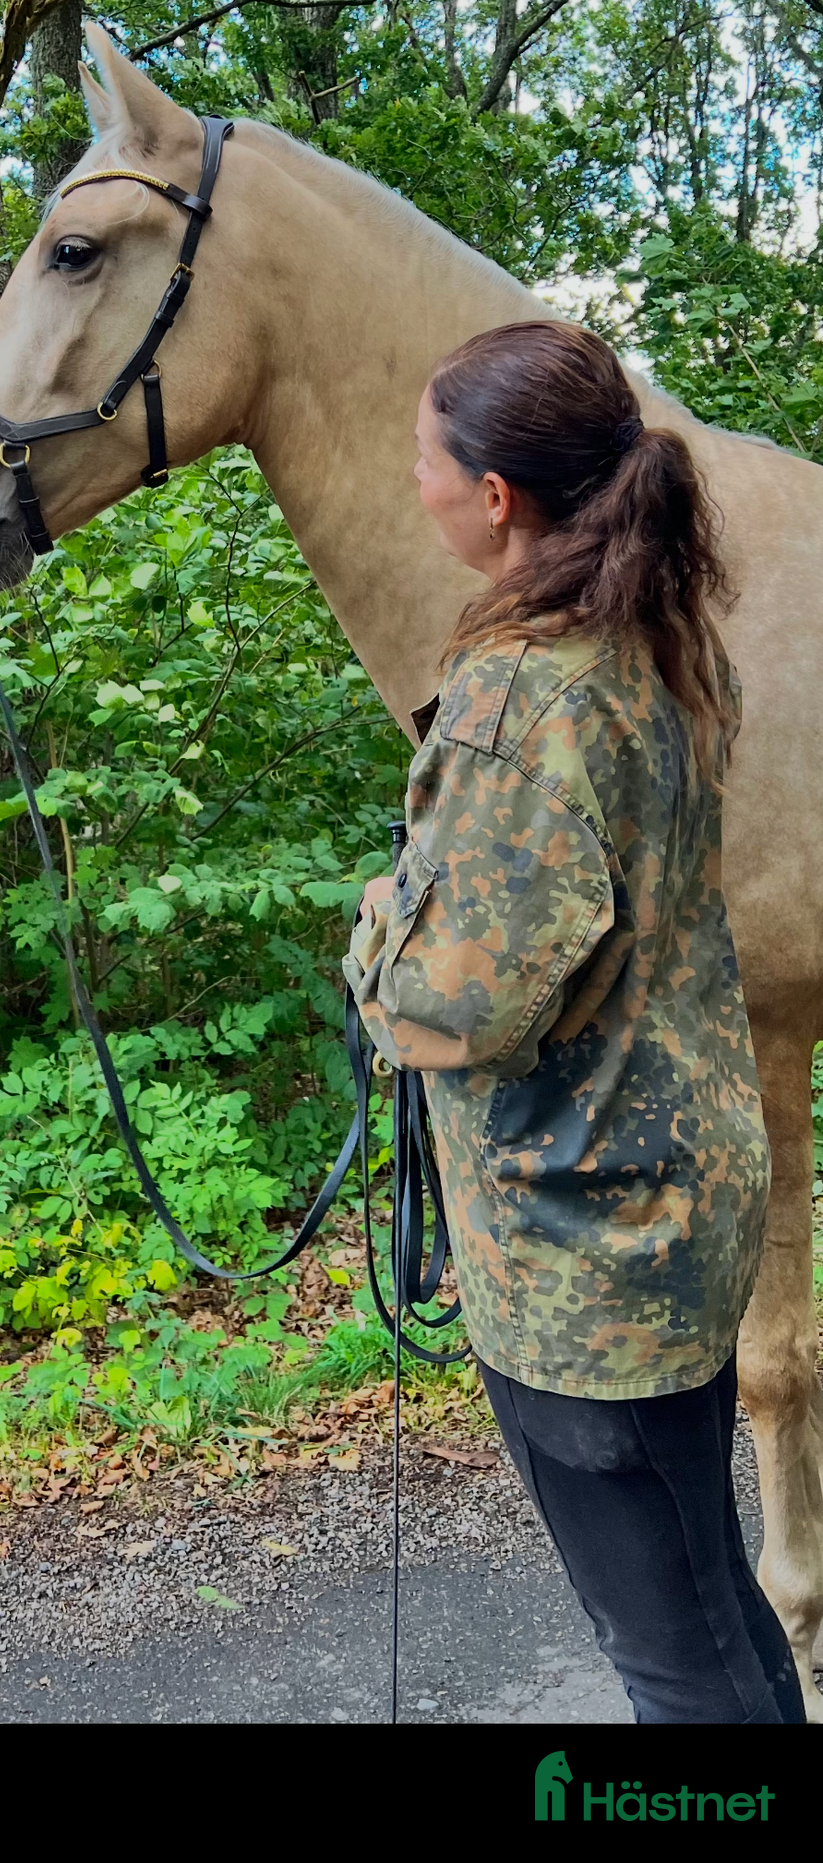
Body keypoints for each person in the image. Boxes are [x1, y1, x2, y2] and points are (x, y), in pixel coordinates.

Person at [343, 320, 805, 1727]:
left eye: (423, 454)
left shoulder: (525, 699)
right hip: (667, 1202)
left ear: (494, 498)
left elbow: (454, 1004)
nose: (409, 477)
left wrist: (379, 929)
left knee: (680, 1659)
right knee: (710, 1608)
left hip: (583, 1261)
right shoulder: (661, 639)